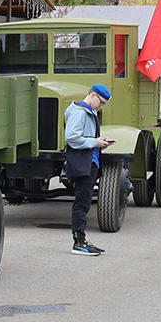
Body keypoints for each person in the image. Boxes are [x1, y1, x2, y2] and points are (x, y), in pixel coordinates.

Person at [64, 83, 115, 257]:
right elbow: (72, 138)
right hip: (82, 163)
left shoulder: (88, 111)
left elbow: (84, 137)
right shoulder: (79, 112)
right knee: (82, 203)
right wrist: (95, 142)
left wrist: (100, 142)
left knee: (84, 203)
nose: (101, 106)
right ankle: (79, 242)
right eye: (101, 102)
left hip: (88, 163)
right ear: (93, 95)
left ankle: (82, 240)